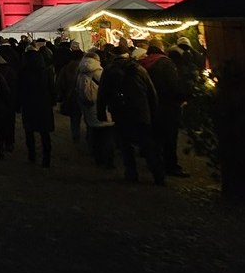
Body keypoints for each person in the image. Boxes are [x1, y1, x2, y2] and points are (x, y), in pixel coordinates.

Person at [98, 43, 165, 185]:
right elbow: (151, 92)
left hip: (120, 111)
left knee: (125, 145)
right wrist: (153, 111)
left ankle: (131, 173)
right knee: (147, 144)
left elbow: (103, 93)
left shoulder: (110, 70)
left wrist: (101, 112)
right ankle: (158, 175)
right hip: (141, 111)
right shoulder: (139, 68)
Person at [142, 44, 190, 177]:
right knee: (169, 138)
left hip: (151, 105)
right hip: (168, 105)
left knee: (156, 137)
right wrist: (181, 98)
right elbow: (173, 84)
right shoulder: (165, 64)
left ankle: (155, 164)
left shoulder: (143, 64)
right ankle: (170, 166)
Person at [75, 48, 115, 168]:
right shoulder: (100, 73)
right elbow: (109, 90)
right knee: (107, 136)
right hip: (103, 109)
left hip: (89, 108)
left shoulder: (81, 73)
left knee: (95, 134)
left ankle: (98, 158)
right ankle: (108, 161)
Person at [15, 47, 55, 167]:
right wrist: (52, 101)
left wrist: (19, 104)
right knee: (45, 133)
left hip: (29, 105)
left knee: (29, 132)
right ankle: (46, 158)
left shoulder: (22, 72)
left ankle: (31, 155)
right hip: (44, 105)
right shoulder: (46, 71)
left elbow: (19, 90)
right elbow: (51, 88)